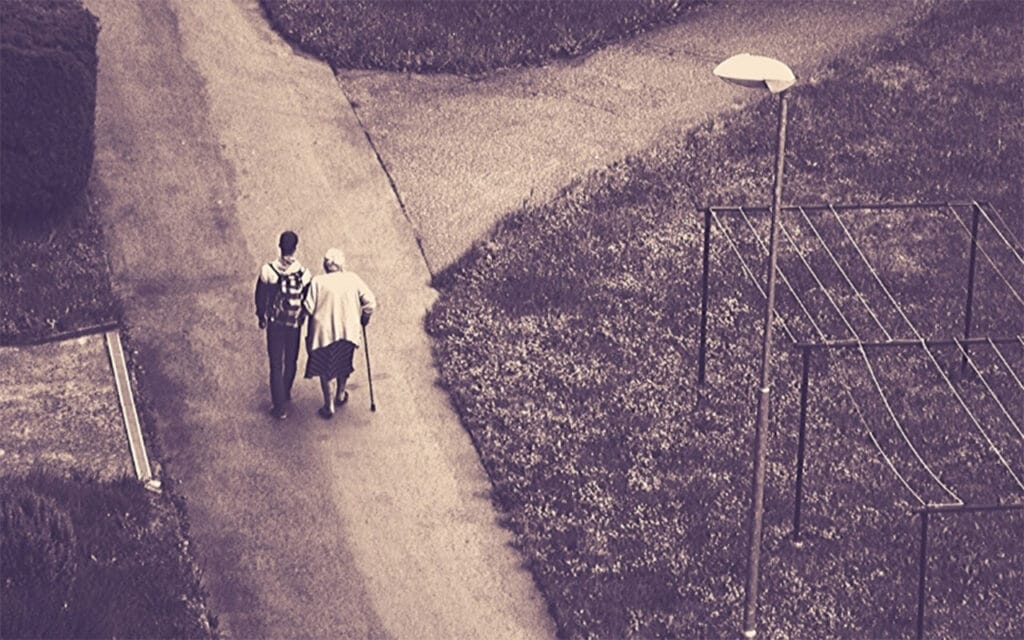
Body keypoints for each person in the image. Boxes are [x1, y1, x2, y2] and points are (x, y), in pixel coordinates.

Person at [303, 247, 376, 419]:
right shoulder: (352, 279)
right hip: (347, 332)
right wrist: (365, 317)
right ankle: (341, 395)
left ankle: (328, 406)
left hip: (324, 336)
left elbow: (308, 308)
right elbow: (370, 302)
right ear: (342, 265)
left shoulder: (317, 282)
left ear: (325, 265)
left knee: (325, 370)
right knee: (343, 363)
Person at [255, 230, 312, 419]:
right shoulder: (304, 274)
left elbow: (260, 296)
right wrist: (302, 317)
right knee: (291, 360)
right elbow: (307, 300)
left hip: (276, 323)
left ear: (280, 246)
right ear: (295, 248)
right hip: (294, 323)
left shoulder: (268, 271)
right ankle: (286, 391)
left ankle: (279, 407)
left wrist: (261, 316)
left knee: (275, 363)